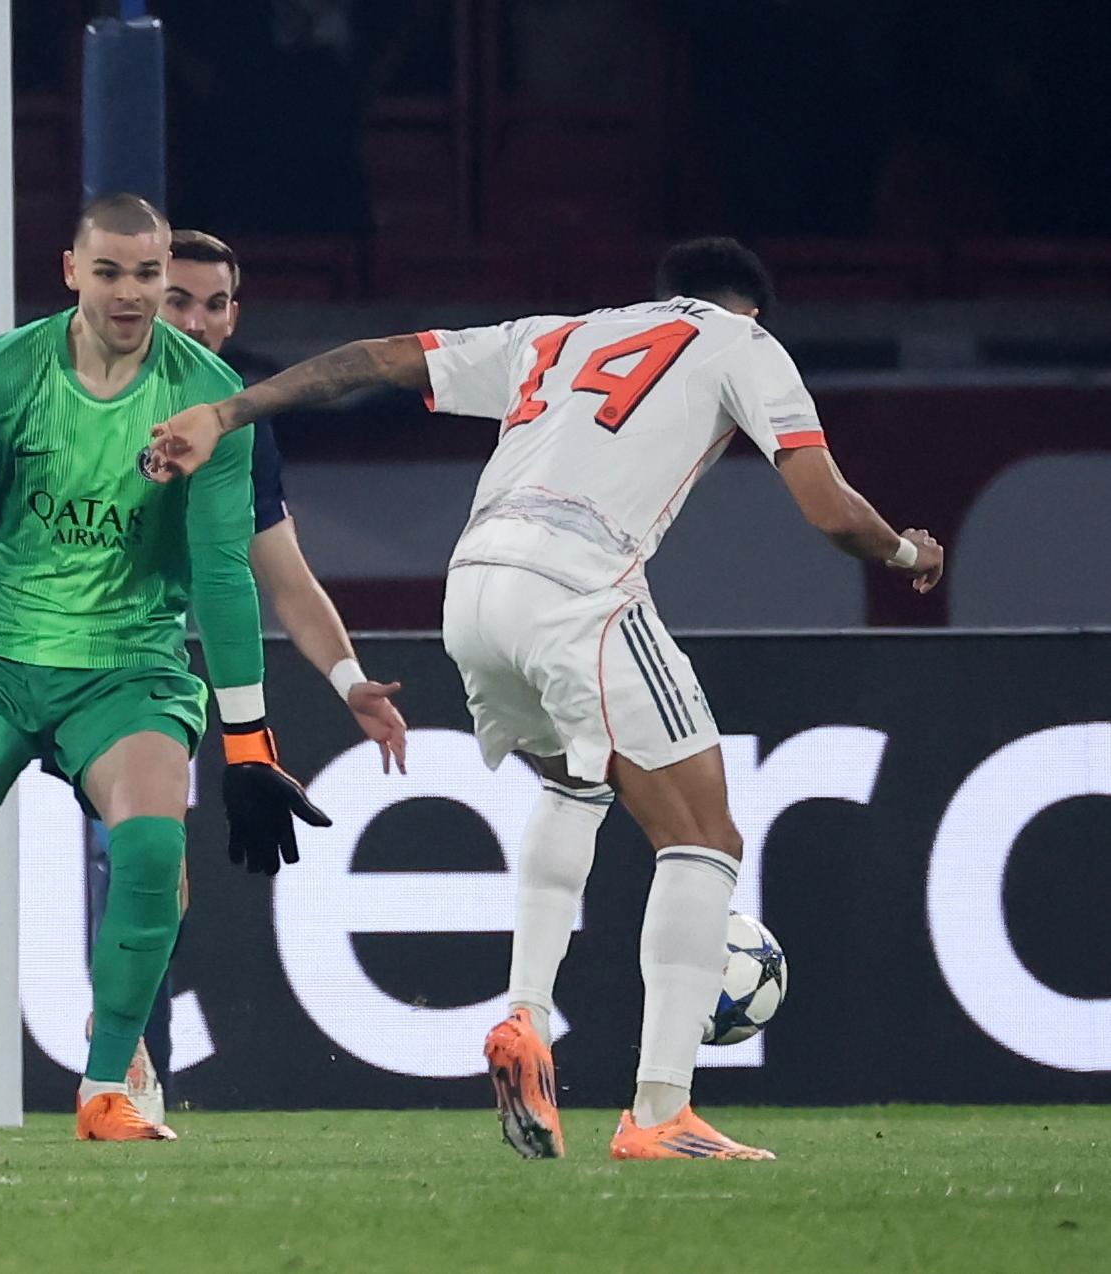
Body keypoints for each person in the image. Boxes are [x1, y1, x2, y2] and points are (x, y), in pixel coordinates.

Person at [147, 237, 944, 1161]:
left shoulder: (556, 336)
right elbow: (830, 509)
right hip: (579, 585)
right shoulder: (743, 344)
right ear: (748, 308)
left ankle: (526, 1013)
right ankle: (659, 1113)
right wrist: (908, 553)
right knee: (705, 838)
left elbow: (373, 360)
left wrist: (229, 407)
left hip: (473, 588)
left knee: (578, 782)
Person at [0, 194, 378, 1143]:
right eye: (115, 273)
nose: (137, 295)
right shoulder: (8, 369)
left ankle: (110, 1084)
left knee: (151, 854)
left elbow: (232, 576)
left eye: (151, 276)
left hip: (128, 665)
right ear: (72, 271)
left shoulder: (215, 407)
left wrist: (251, 741)